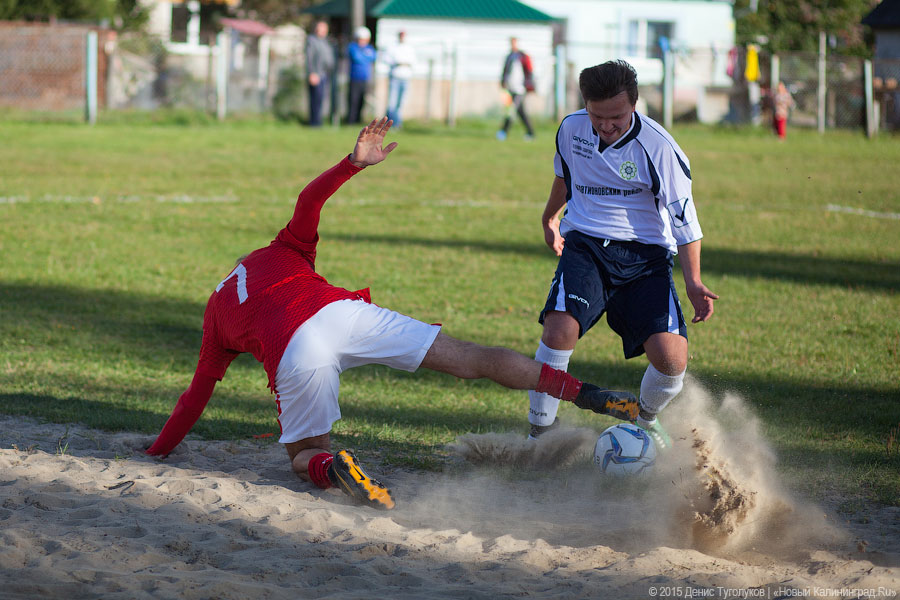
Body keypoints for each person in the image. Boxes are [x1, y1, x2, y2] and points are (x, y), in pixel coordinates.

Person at [146, 118, 639, 511]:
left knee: (304, 454)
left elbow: (194, 399)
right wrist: (352, 164)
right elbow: (308, 200)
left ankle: (334, 466)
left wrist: (157, 451)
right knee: (473, 358)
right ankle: (586, 393)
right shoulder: (280, 250)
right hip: (344, 314)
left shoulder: (215, 317)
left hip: (297, 352)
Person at [526, 60, 719, 450]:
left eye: (616, 117)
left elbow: (685, 222)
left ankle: (643, 420)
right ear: (585, 104)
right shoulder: (571, 128)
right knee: (558, 330)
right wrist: (550, 217)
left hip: (645, 259)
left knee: (671, 361)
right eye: (597, 116)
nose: (606, 125)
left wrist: (694, 281)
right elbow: (565, 176)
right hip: (586, 246)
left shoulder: (659, 148)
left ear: (634, 103)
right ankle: (539, 435)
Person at [497, 37, 535, 141]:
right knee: (520, 112)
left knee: (511, 110)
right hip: (510, 89)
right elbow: (505, 71)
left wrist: (529, 85)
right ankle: (530, 133)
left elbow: (529, 71)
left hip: (520, 89)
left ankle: (503, 132)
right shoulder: (509, 57)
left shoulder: (523, 57)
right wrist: (503, 82)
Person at [305, 21, 336, 127]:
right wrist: (312, 73)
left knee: (321, 99)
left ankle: (319, 121)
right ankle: (314, 122)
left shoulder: (326, 42)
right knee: (316, 99)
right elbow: (310, 58)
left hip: (325, 74)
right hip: (316, 74)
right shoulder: (312, 41)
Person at [383, 30, 415, 128]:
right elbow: (387, 59)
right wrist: (398, 62)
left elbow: (413, 61)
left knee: (400, 103)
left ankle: (397, 123)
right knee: (392, 102)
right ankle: (389, 123)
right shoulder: (392, 47)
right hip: (395, 77)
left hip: (405, 77)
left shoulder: (409, 48)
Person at [346, 27, 377, 124]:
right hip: (355, 78)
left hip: (365, 78)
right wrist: (365, 56)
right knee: (353, 100)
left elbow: (373, 56)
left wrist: (364, 56)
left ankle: (358, 120)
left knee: (361, 100)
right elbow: (357, 58)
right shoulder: (353, 47)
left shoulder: (369, 48)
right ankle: (351, 120)